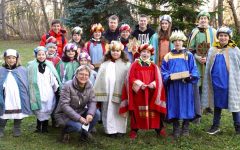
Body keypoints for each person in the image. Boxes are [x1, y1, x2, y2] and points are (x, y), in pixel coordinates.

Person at [119, 43, 166, 140]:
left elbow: (159, 79)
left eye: (148, 52)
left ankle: (159, 128)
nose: (145, 54)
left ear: (151, 54)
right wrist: (140, 84)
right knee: (137, 111)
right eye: (143, 52)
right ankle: (134, 130)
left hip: (151, 93)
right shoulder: (134, 65)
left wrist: (152, 84)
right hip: (139, 93)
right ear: (140, 53)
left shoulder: (154, 66)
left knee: (154, 111)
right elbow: (130, 78)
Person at [202, 26, 240, 135]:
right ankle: (215, 126)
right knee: (217, 103)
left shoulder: (235, 49)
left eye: (225, 36)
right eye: (221, 36)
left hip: (230, 82)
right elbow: (209, 65)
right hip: (216, 82)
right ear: (218, 37)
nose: (223, 38)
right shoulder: (213, 49)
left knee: (234, 103)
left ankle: (238, 126)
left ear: (229, 37)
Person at [161, 30, 199, 138]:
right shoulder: (168, 56)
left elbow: (194, 69)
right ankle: (176, 128)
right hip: (173, 86)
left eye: (179, 40)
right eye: (175, 41)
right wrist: (169, 77)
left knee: (186, 105)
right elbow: (163, 70)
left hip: (185, 86)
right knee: (174, 105)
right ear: (172, 42)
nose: (177, 43)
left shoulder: (189, 55)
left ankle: (185, 127)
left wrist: (190, 77)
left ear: (183, 41)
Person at [54, 65, 100, 142]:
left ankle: (84, 134)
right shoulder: (68, 85)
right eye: (81, 74)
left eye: (86, 75)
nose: (83, 76)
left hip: (80, 111)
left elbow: (92, 101)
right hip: (64, 114)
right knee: (77, 127)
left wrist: (90, 114)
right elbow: (64, 105)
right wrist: (79, 118)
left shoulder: (89, 85)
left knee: (97, 113)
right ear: (76, 74)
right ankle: (65, 131)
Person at [94, 41, 130, 137]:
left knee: (119, 109)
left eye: (117, 51)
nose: (115, 53)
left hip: (121, 92)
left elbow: (129, 78)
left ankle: (120, 130)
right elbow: (99, 78)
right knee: (108, 110)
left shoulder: (126, 64)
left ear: (121, 52)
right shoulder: (104, 64)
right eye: (113, 51)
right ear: (110, 52)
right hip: (108, 91)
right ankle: (110, 130)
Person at [188, 11, 217, 114]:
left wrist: (208, 58)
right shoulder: (195, 31)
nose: (203, 20)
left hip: (210, 62)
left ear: (208, 20)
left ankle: (209, 106)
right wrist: (197, 57)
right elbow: (190, 48)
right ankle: (198, 107)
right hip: (197, 62)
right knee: (198, 84)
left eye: (205, 18)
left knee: (209, 83)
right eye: (201, 18)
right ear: (198, 20)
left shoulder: (213, 31)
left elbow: (217, 47)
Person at [27, 46, 61, 133]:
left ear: (45, 55)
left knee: (47, 107)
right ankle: (38, 127)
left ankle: (45, 127)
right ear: (36, 55)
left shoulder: (49, 65)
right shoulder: (31, 66)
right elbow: (29, 78)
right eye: (39, 55)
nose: (41, 56)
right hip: (37, 90)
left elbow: (53, 77)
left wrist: (56, 87)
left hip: (48, 90)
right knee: (39, 108)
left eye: (43, 54)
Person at [0, 49, 31, 137]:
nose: (11, 60)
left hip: (18, 97)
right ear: (5, 59)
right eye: (8, 58)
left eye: (13, 58)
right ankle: (1, 128)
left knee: (18, 113)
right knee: (3, 113)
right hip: (6, 96)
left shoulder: (22, 70)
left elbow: (25, 83)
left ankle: (17, 128)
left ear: (17, 59)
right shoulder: (1, 70)